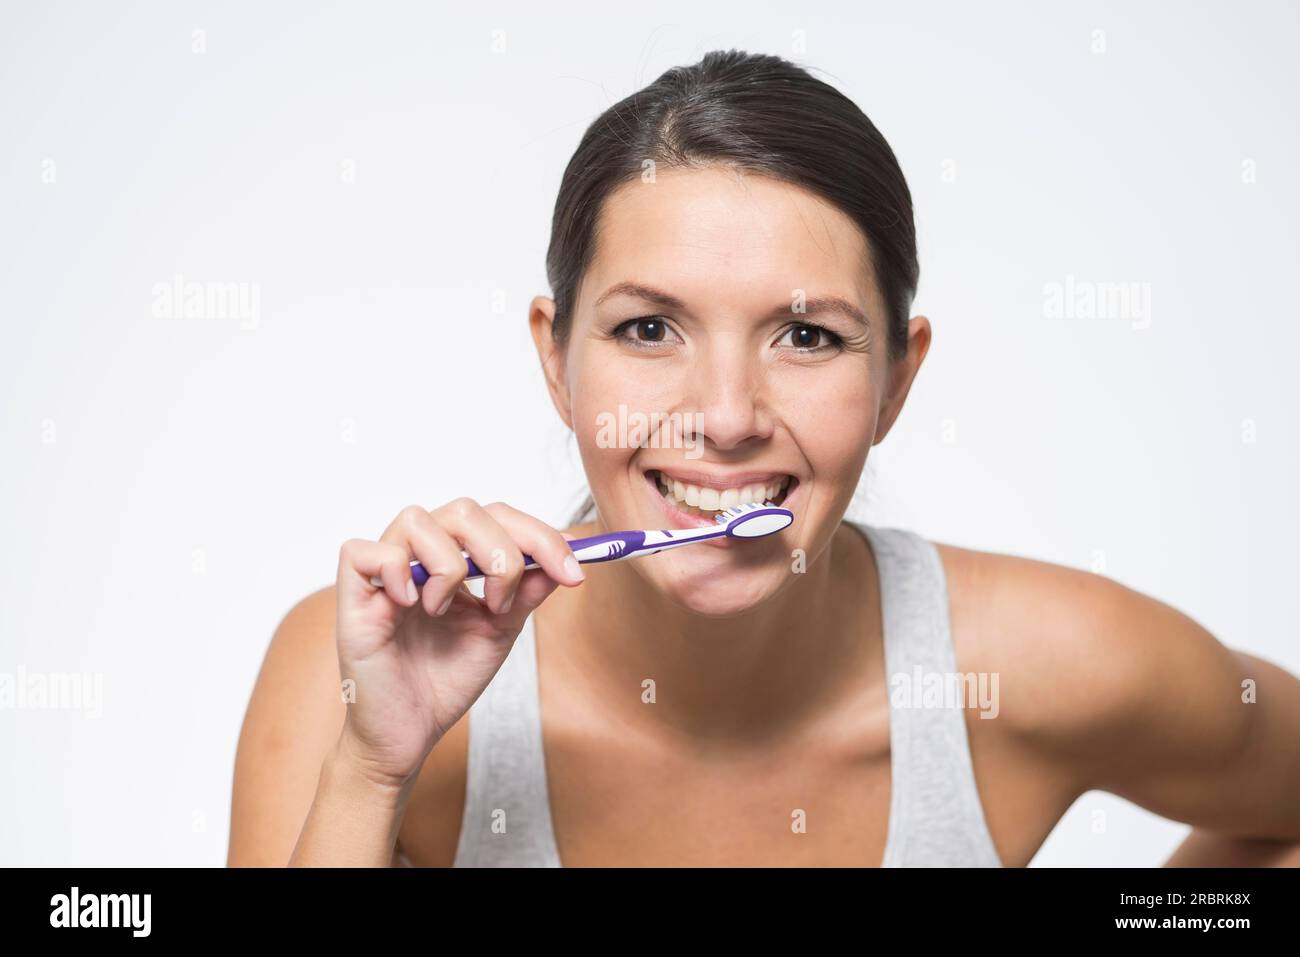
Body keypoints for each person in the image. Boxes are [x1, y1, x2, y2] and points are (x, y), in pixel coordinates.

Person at [227, 50, 1300, 867]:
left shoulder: (1054, 667)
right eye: (650, 329)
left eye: (807, 336)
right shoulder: (356, 681)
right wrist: (372, 771)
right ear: (557, 361)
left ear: (896, 381)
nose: (727, 415)